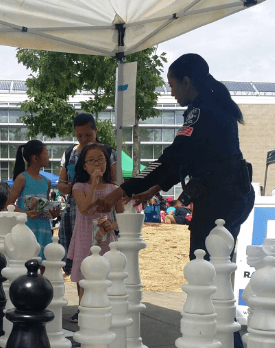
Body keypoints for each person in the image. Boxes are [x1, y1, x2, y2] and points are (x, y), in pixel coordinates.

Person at [87, 53, 254, 261]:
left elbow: (173, 158)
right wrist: (153, 189)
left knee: (203, 264)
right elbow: (187, 160)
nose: (172, 92)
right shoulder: (214, 104)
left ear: (187, 82)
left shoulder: (203, 110)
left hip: (220, 197)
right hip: (232, 193)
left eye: (173, 85)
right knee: (218, 263)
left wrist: (122, 190)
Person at [68, 143, 124, 322]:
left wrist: (113, 225)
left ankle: (103, 308)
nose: (97, 164)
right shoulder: (79, 186)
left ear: (107, 163)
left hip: (105, 238)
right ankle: (83, 308)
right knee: (84, 274)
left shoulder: (113, 189)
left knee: (105, 273)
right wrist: (93, 184)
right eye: (91, 161)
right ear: (84, 166)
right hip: (85, 236)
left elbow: (122, 217)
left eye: (100, 160)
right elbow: (84, 209)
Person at [58, 112, 119, 274]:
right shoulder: (69, 153)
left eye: (88, 134)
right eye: (79, 135)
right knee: (79, 262)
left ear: (96, 131)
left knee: (105, 261)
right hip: (76, 213)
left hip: (104, 213)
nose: (84, 139)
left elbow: (117, 181)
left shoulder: (108, 152)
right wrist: (81, 187)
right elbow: (61, 185)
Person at [6, 140, 60, 262]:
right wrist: (26, 214)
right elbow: (8, 205)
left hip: (44, 229)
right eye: (45, 153)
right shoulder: (22, 178)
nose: (48, 157)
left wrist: (53, 213)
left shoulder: (47, 181)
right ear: (35, 158)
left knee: (43, 264)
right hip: (26, 229)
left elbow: (44, 206)